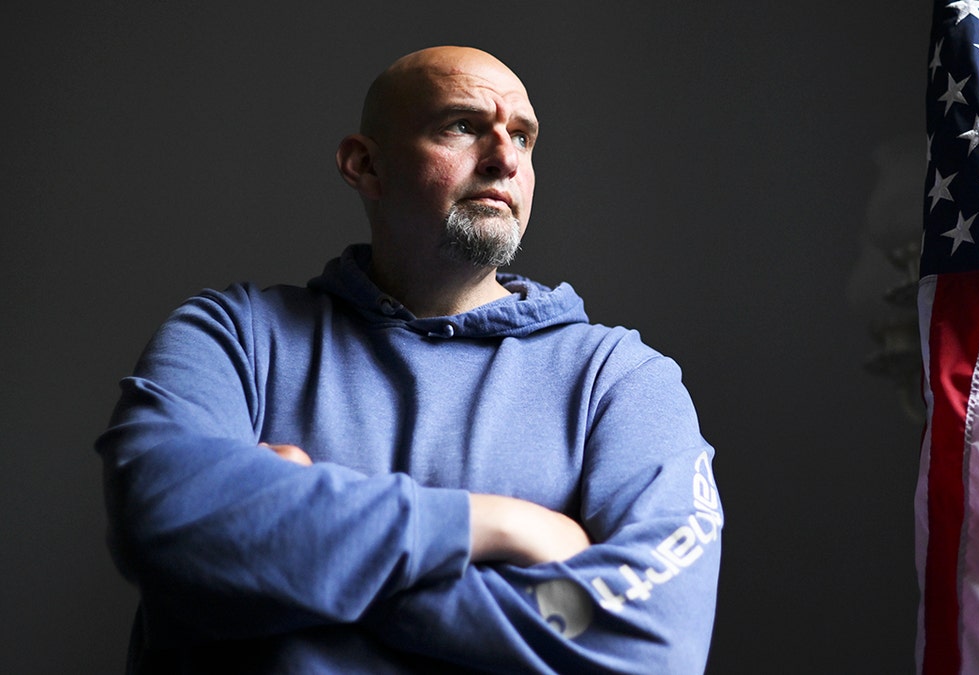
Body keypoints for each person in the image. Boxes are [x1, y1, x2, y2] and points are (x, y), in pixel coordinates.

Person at [97, 46, 722, 673]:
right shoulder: (234, 336)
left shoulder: (620, 380)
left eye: (524, 137)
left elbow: (652, 640)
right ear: (365, 165)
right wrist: (497, 526)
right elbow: (165, 523)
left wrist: (278, 564)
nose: (505, 158)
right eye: (463, 126)